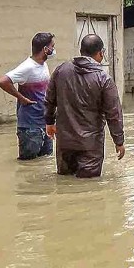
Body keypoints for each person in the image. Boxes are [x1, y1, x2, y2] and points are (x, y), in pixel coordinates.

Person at [44, 34, 124, 178]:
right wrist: (119, 141)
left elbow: (49, 100)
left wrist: (49, 122)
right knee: (89, 187)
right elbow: (114, 114)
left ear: (81, 51)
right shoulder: (103, 79)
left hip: (65, 143)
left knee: (64, 184)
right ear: (101, 53)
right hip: (90, 146)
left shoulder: (61, 70)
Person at [0, 33, 56, 160]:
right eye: (53, 46)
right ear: (45, 49)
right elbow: (3, 81)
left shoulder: (43, 65)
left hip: (44, 123)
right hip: (30, 127)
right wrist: (21, 98)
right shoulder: (27, 67)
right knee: (28, 163)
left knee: (45, 161)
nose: (54, 50)